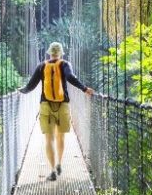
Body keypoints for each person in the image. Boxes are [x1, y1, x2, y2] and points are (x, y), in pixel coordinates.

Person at [19, 42, 95, 181]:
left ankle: (53, 170)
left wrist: (20, 92)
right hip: (62, 104)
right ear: (61, 53)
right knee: (61, 136)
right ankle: (59, 163)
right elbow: (71, 77)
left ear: (49, 53)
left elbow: (30, 86)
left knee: (49, 138)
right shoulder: (65, 64)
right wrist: (85, 89)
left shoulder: (42, 66)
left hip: (46, 105)